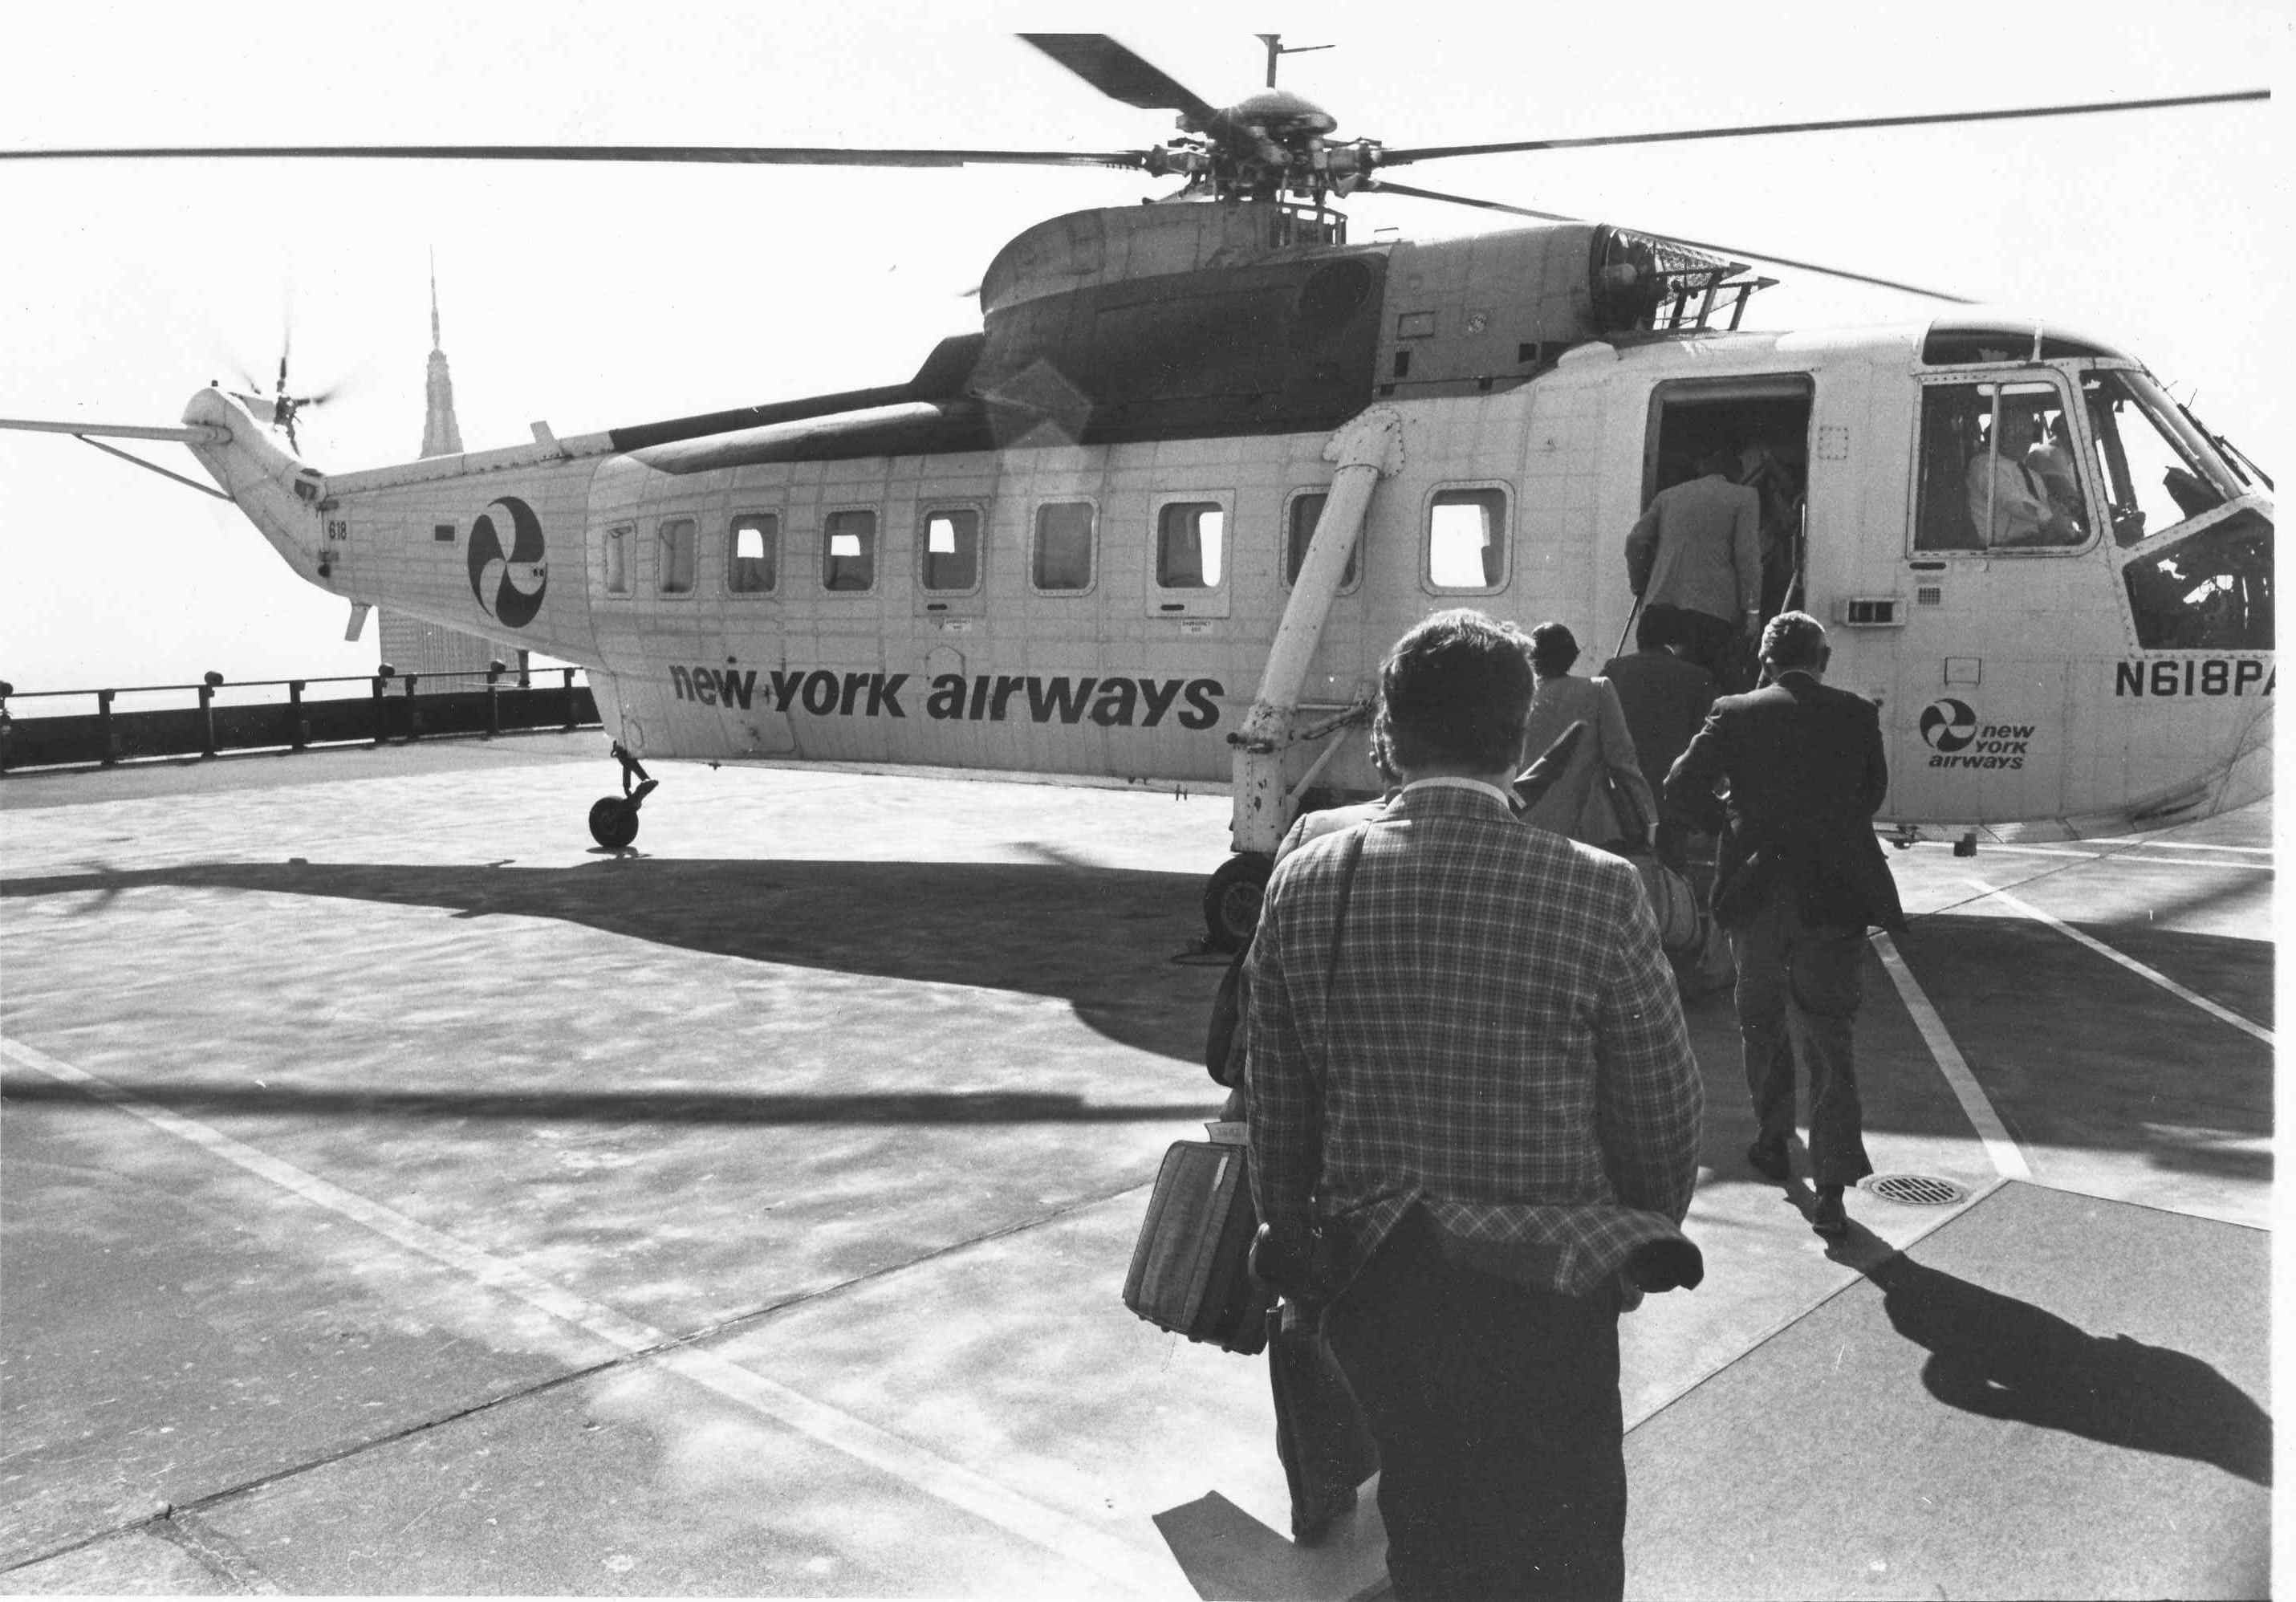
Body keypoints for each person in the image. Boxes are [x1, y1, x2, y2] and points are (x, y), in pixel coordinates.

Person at [1248, 608, 1704, 1600]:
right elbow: (1662, 1115)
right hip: (1547, 1284)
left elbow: (1278, 1115)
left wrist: (1293, 1243)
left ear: (1386, 737)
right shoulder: (1598, 890)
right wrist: (1632, 1238)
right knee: (1563, 1541)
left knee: (1431, 1528)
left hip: (1383, 1284)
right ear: (1516, 738)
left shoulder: (1305, 882)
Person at [1662, 611, 1904, 1240]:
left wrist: (1732, 824)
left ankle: (1773, 1138)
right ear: (1821, 658)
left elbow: (1680, 784)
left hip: (1758, 891)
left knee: (1761, 1020)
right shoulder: (1855, 713)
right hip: (1834, 893)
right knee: (1829, 1034)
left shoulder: (1735, 711)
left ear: (1765, 660)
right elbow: (1871, 794)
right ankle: (1831, 1187)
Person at [1624, 447, 1763, 679]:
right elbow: (1747, 557)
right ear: (1736, 474)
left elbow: (1636, 541)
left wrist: (1639, 584)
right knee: (1706, 694)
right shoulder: (1744, 497)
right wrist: (1752, 612)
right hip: (1710, 618)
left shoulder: (1667, 496)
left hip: (1657, 613)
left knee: (1658, 690)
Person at [1599, 606, 1718, 870]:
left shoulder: (1614, 670)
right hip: (1670, 802)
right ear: (1678, 639)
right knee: (1670, 877)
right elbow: (1703, 742)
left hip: (1621, 797)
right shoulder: (1698, 678)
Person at [1517, 620, 1652, 852]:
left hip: (1526, 824)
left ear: (1532, 657)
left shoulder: (1519, 696)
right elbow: (1622, 761)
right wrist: (1649, 818)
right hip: (1586, 830)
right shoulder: (1598, 690)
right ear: (1572, 655)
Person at [1966, 408, 2076, 547]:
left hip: (2034, 545)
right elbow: (2014, 502)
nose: (2023, 437)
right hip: (2003, 553)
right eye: (2015, 431)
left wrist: (2064, 516)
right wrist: (2051, 519)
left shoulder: (2032, 475)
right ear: (1998, 432)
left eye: (2027, 430)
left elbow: (2049, 505)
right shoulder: (1985, 465)